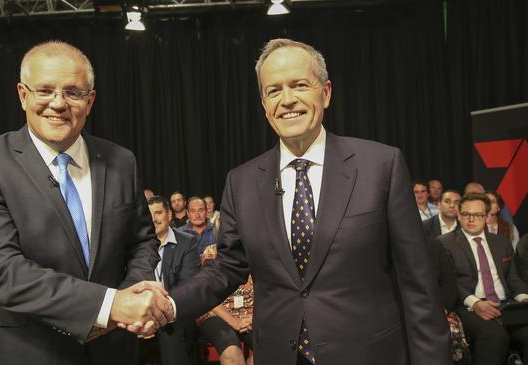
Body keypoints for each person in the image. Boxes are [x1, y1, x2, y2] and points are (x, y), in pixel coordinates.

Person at [162, 39, 450, 365]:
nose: (287, 100)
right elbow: (227, 269)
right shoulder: (241, 182)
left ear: (326, 92)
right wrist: (169, 304)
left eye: (299, 85)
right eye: (274, 91)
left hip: (368, 354)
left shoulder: (381, 166)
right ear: (263, 103)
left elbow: (418, 285)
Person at [0, 40, 166, 365]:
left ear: (90, 100)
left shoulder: (122, 161)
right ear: (23, 95)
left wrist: (129, 301)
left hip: (112, 350)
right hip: (22, 352)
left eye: (73, 92)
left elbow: (142, 243)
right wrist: (107, 306)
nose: (58, 103)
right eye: (45, 90)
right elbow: (0, 271)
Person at [439, 193, 528, 364]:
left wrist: (524, 298)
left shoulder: (502, 243)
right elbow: (449, 283)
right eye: (466, 214)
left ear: (487, 216)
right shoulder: (444, 243)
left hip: (506, 305)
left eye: (478, 215)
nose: (471, 219)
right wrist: (475, 303)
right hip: (470, 306)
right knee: (495, 335)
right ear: (458, 214)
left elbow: (513, 277)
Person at [147, 195, 200, 365]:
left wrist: (161, 311)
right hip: (143, 312)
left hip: (176, 312)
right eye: (150, 215)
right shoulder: (138, 246)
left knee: (170, 332)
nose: (154, 219)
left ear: (169, 215)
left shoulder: (187, 242)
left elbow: (188, 287)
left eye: (158, 213)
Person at [197, 244, 254, 365]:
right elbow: (207, 295)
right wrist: (235, 322)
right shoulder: (212, 253)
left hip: (251, 315)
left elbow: (271, 291)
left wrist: (256, 317)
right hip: (215, 313)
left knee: (269, 348)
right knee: (231, 351)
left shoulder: (260, 251)